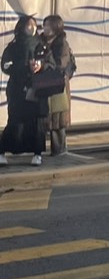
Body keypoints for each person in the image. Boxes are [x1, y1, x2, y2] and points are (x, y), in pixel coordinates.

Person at [0, 16, 45, 166]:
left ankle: (37, 153)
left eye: (34, 25)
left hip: (36, 88)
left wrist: (41, 65)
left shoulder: (41, 44)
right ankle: (2, 150)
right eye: (28, 25)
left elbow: (49, 61)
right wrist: (25, 65)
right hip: (17, 89)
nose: (32, 28)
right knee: (15, 121)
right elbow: (5, 65)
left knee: (36, 122)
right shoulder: (13, 46)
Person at [35, 15, 76, 157]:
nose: (45, 28)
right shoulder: (39, 41)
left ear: (56, 27)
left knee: (57, 118)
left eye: (48, 25)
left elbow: (60, 64)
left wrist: (45, 60)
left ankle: (59, 150)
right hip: (42, 84)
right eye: (45, 25)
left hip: (57, 85)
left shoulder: (62, 44)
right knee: (41, 117)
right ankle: (37, 151)